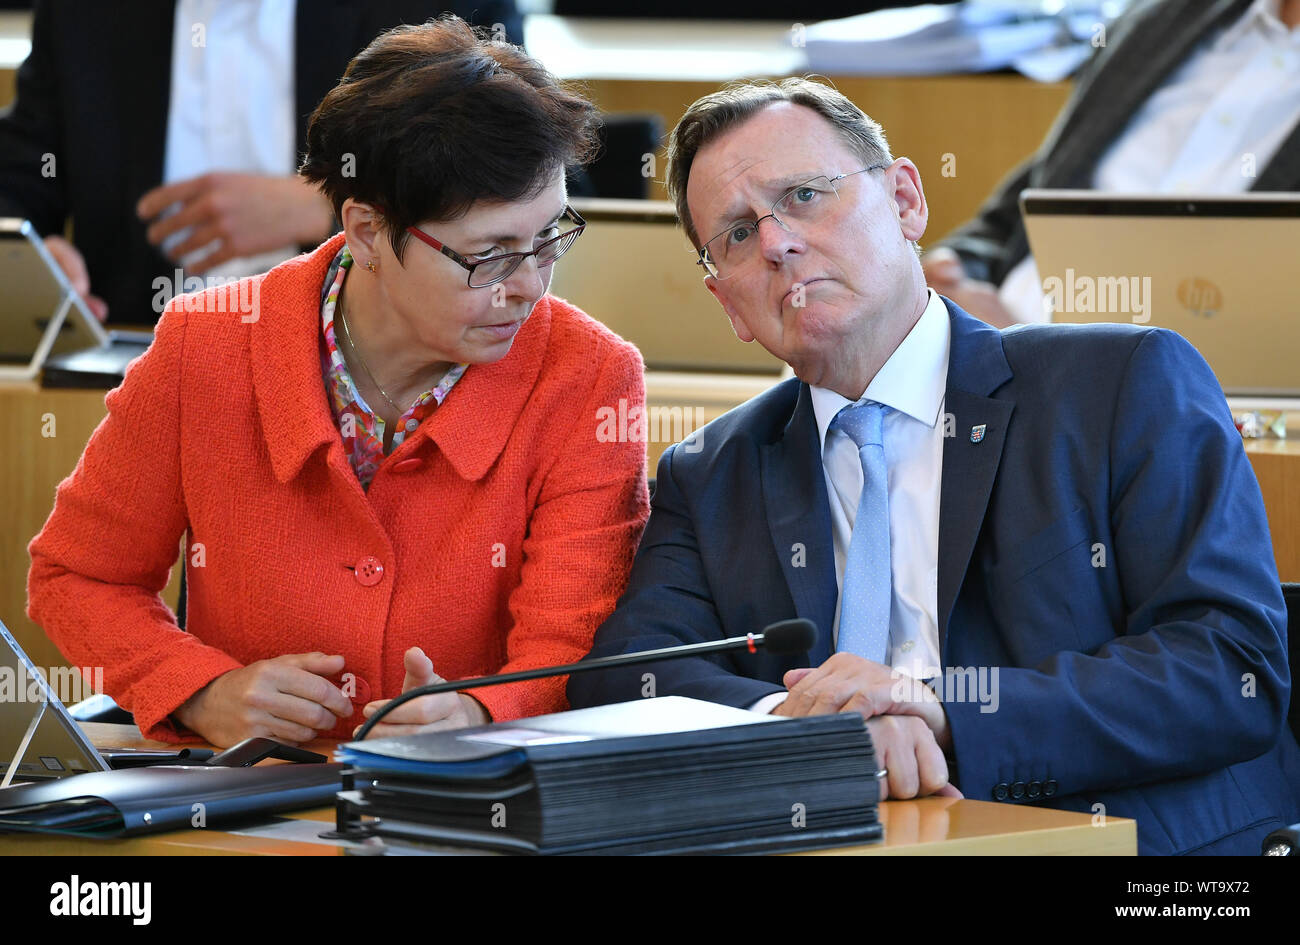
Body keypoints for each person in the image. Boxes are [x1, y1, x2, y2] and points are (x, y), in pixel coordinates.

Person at [566, 77, 1300, 855]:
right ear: (727, 304)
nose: (778, 242)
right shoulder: (708, 472)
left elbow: (1229, 669)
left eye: (806, 195)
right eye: (739, 234)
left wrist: (939, 708)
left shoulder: (1120, 384)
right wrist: (810, 726)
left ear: (907, 200)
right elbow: (625, 679)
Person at [27, 17, 648, 748]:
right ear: (364, 230)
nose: (529, 287)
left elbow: (567, 641)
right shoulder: (208, 343)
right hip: (244, 806)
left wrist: (484, 714)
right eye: (490, 256)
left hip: (467, 812)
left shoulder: (590, 374)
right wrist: (200, 689)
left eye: (548, 238)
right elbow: (78, 577)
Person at [0, 0, 522, 323]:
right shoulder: (81, 11)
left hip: (365, 363)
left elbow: (524, 176)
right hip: (133, 356)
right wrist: (34, 263)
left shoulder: (441, 7)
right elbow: (18, 179)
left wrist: (326, 205)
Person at [923, 0, 1300, 326]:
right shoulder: (1157, 20)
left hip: (1182, 390)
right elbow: (1015, 214)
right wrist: (951, 274)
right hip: (987, 350)